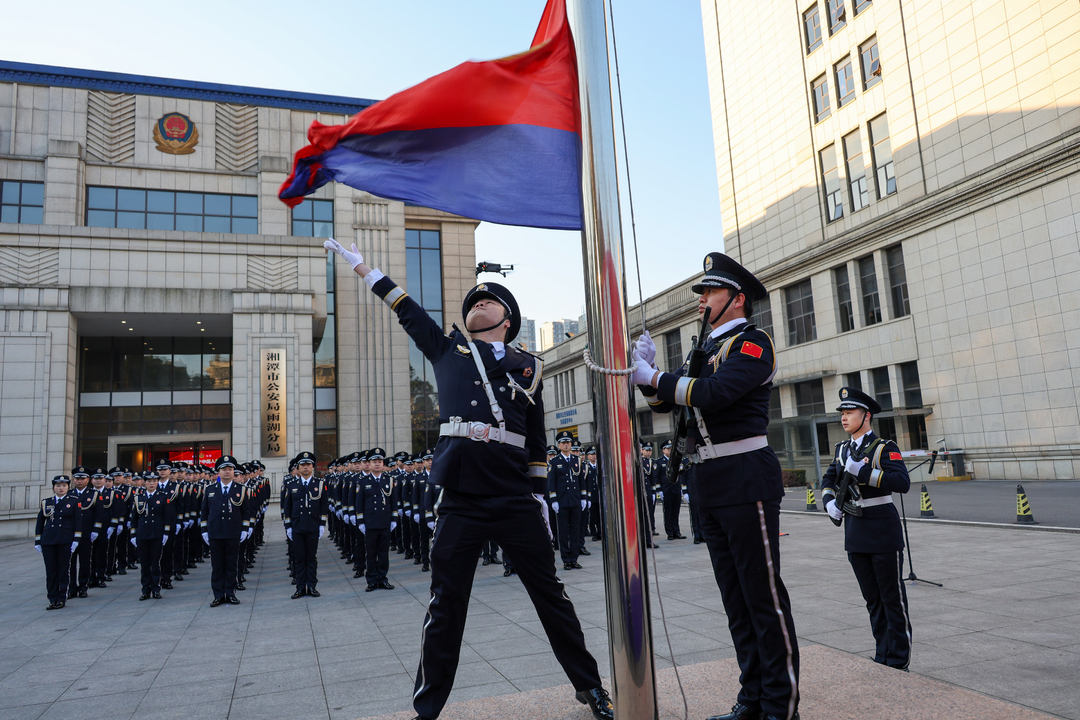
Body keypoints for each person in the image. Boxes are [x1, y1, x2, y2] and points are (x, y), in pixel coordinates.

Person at [325, 238, 613, 720]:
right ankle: (427, 707)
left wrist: (539, 496)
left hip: (515, 498)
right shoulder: (449, 351)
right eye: (473, 300)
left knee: (552, 598)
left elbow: (537, 443)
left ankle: (590, 686)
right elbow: (409, 313)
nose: (478, 303)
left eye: (488, 300)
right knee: (446, 605)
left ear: (507, 317)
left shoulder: (530, 367)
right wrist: (367, 272)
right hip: (460, 500)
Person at [633, 252, 799, 720]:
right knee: (736, 601)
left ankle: (781, 709)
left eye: (709, 292)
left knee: (763, 599)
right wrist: (650, 382)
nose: (701, 301)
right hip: (709, 481)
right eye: (701, 293)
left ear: (737, 298)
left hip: (746, 476)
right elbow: (677, 408)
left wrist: (657, 377)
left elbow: (716, 394)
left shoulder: (752, 342)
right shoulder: (703, 350)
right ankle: (752, 700)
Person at [821, 387, 912, 671]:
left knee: (891, 599)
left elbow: (901, 483)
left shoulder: (885, 447)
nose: (844, 418)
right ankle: (881, 654)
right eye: (843, 414)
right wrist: (828, 503)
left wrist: (863, 472)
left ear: (866, 415)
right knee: (872, 600)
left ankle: (898, 659)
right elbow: (827, 480)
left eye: (850, 413)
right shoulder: (841, 450)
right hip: (855, 532)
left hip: (883, 531)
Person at [200, 455, 252, 607]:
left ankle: (230, 593)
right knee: (217, 566)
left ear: (234, 471)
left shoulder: (240, 490)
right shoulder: (209, 490)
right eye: (224, 469)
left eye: (230, 469)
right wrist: (204, 530)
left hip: (233, 533)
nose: (227, 472)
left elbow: (246, 512)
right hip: (215, 533)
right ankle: (218, 595)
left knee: (231, 564)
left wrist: (244, 529)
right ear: (218, 472)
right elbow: (204, 512)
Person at [283, 451, 328, 598]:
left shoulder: (319, 484)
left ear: (313, 467)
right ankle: (300, 587)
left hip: (313, 526)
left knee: (311, 557)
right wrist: (288, 527)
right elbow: (287, 508)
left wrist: (322, 524)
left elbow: (323, 506)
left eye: (308, 464)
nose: (306, 467)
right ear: (298, 467)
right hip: (297, 526)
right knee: (299, 557)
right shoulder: (291, 485)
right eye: (303, 465)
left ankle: (312, 586)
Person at [35, 475, 83, 609]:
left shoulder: (74, 501)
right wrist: (38, 540)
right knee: (51, 571)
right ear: (53, 487)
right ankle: (52, 598)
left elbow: (78, 522)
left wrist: (76, 539)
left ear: (68, 487)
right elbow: (40, 522)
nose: (61, 488)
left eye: (64, 485)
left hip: (65, 539)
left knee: (63, 570)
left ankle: (62, 597)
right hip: (49, 540)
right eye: (58, 486)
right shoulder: (47, 502)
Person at [130, 471, 175, 600]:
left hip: (157, 533)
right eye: (149, 481)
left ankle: (156, 588)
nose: (152, 483)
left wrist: (166, 533)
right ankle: (145, 590)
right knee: (144, 564)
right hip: (142, 533)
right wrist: (133, 534)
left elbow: (168, 517)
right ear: (145, 482)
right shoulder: (139, 497)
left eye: (154, 481)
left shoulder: (162, 497)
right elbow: (134, 518)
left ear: (157, 482)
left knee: (155, 563)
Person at [358, 447, 397, 591]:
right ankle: (371, 580)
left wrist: (394, 519)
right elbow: (359, 504)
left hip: (385, 521)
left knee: (383, 552)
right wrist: (361, 522)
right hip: (370, 522)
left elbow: (394, 501)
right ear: (369, 463)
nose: (377, 464)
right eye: (374, 461)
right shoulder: (363, 481)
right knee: (371, 553)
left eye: (380, 461)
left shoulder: (389, 480)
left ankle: (382, 578)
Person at [548, 430, 585, 570]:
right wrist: (554, 500)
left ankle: (574, 558)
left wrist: (583, 498)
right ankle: (566, 559)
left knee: (575, 531)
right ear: (559, 445)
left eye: (568, 442)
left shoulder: (577, 461)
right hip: (562, 502)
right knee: (563, 532)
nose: (566, 445)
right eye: (563, 443)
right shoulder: (554, 461)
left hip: (575, 500)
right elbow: (551, 483)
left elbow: (581, 481)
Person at [659, 441, 687, 540]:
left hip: (676, 489)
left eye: (671, 449)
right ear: (663, 450)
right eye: (668, 449)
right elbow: (657, 477)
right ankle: (670, 532)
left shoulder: (676, 461)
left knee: (676, 512)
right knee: (668, 512)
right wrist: (659, 490)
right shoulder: (660, 462)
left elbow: (680, 474)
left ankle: (677, 531)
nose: (670, 451)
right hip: (666, 490)